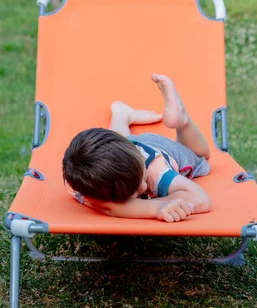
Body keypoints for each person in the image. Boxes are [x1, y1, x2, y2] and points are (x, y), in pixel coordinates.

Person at [62, 74, 211, 223]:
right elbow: (109, 207)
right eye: (133, 192)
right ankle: (121, 114)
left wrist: (157, 206)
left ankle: (183, 121)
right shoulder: (84, 182)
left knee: (201, 154)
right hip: (128, 146)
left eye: (141, 178)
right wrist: (156, 208)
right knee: (119, 142)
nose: (144, 186)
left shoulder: (154, 170)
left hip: (161, 149)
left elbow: (201, 200)